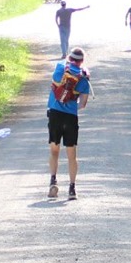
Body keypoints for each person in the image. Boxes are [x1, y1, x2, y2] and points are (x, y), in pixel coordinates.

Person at [46, 47, 91, 198]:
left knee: (54, 150)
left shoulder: (60, 67)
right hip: (70, 117)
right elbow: (83, 104)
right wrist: (72, 106)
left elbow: (54, 84)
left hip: (55, 114)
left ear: (70, 58)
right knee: (71, 155)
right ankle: (72, 189)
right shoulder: (83, 78)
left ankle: (53, 181)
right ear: (82, 61)